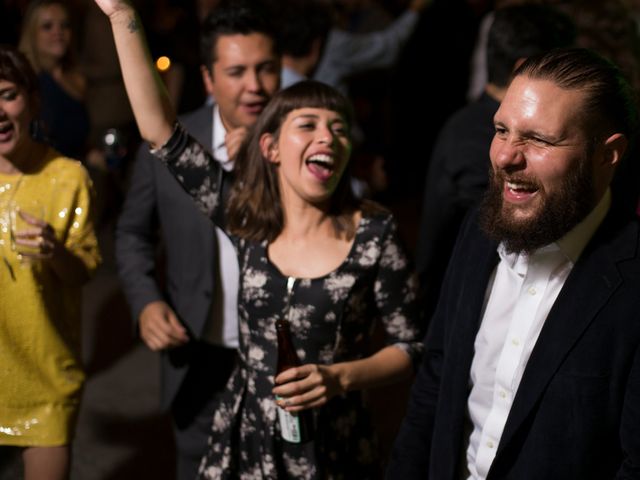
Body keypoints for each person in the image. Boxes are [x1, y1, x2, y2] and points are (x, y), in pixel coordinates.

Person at [96, 0, 424, 478]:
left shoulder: (374, 234)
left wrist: (341, 377)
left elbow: (413, 345)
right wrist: (121, 15)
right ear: (270, 147)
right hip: (247, 437)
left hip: (333, 445)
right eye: (308, 125)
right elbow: (159, 130)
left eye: (338, 129)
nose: (327, 138)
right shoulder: (249, 222)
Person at [388, 47, 640, 479]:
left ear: (607, 154)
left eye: (538, 139)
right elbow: (437, 378)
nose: (505, 156)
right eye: (501, 130)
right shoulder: (479, 226)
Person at [114, 1, 280, 479]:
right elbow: (131, 233)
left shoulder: (303, 148)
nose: (255, 85)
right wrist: (146, 301)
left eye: (266, 68)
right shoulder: (172, 148)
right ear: (208, 79)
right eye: (237, 71)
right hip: (198, 354)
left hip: (277, 363)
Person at [415, 4, 575, 321]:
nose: (506, 153)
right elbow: (514, 234)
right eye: (562, 70)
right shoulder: (473, 139)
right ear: (524, 68)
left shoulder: (469, 121)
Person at [0, 45, 100, 480]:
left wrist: (54, 251)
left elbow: (83, 272)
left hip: (46, 378)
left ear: (33, 100)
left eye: (8, 95)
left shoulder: (67, 177)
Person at [19, 0, 91, 160]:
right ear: (32, 34)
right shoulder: (24, 82)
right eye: (47, 26)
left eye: (64, 25)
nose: (58, 32)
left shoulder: (77, 78)